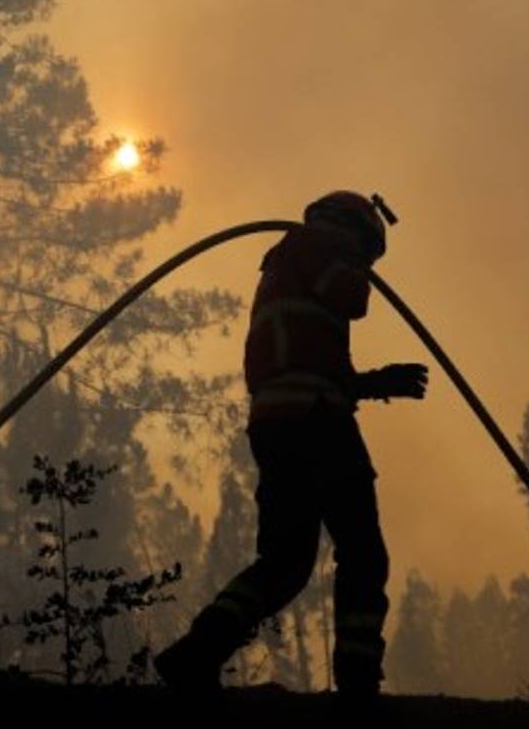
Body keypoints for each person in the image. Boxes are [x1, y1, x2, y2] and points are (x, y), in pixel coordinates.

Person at [154, 191, 428, 696]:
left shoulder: (289, 265)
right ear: (347, 228)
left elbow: (308, 364)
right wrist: (355, 265)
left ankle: (196, 653)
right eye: (367, 250)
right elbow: (352, 298)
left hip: (280, 424)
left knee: (284, 565)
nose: (366, 263)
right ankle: (358, 683)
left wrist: (375, 383)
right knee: (363, 552)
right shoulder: (315, 246)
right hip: (317, 422)